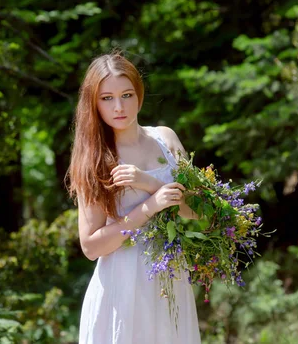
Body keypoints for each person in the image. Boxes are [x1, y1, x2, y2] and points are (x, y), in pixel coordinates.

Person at [66, 52, 201, 344]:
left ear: (139, 93)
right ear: (94, 103)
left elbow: (198, 210)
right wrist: (150, 207)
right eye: (107, 98)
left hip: (171, 280)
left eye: (127, 94)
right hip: (123, 287)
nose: (119, 107)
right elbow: (91, 246)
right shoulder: (96, 159)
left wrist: (148, 182)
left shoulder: (166, 139)